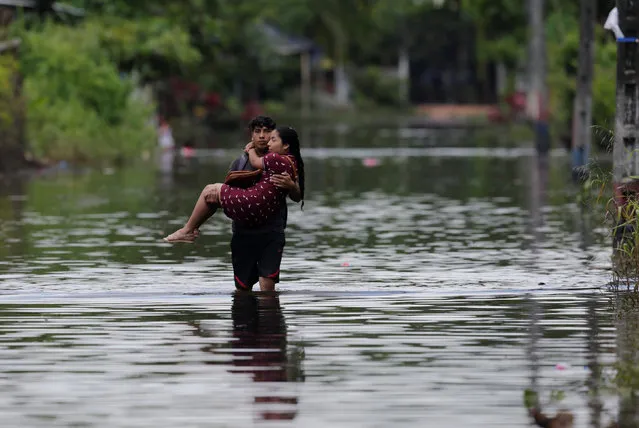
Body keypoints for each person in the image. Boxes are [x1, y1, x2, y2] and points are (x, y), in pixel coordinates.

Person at [164, 119, 305, 292]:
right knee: (242, 290)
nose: (262, 136)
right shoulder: (241, 163)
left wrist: (292, 186)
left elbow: (297, 197)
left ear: (276, 138)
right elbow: (226, 197)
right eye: (257, 131)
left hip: (271, 232)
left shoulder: (282, 160)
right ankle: (245, 318)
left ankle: (269, 318)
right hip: (244, 233)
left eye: (268, 132)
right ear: (251, 135)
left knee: (267, 289)